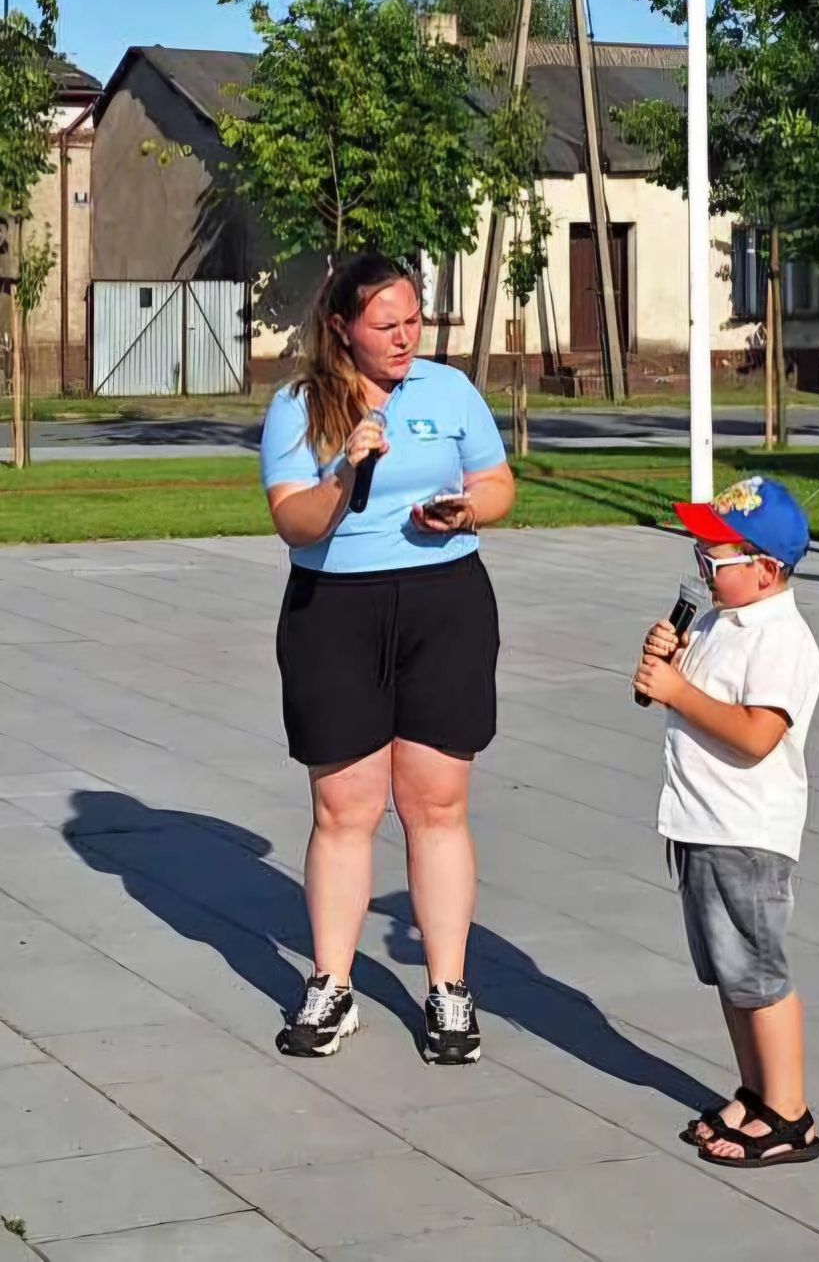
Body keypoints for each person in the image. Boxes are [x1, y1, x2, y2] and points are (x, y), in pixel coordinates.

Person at [259, 252, 515, 1065]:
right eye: (385, 325)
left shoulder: (449, 391)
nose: (405, 337)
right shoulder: (299, 405)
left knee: (436, 804)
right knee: (345, 808)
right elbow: (295, 524)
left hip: (444, 606)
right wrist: (345, 473)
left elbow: (500, 483)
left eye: (413, 319)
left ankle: (447, 992)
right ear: (341, 328)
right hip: (335, 611)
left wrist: (468, 509)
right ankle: (332, 988)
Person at [633, 476, 819, 1168]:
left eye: (713, 560)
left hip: (745, 830)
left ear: (766, 569)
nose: (699, 567)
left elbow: (755, 735)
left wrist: (678, 690)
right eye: (698, 552)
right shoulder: (717, 623)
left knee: (758, 972)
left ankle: (791, 1113)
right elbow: (681, 698)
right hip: (698, 819)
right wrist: (668, 666)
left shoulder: (781, 639)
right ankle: (756, 1090)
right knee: (727, 970)